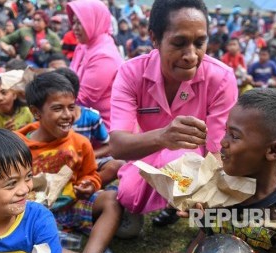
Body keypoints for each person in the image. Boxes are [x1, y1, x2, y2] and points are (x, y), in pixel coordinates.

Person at [130, 89, 276, 253]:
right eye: (225, 132)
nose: (222, 143)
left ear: (274, 150)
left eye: (234, 136)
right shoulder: (218, 183)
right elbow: (205, 237)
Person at [110, 0, 238, 229]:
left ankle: (181, 203)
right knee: (129, 195)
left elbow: (219, 151)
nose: (191, 55)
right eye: (179, 43)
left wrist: (206, 190)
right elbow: (118, 146)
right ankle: (164, 199)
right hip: (148, 155)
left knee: (183, 162)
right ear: (154, 39)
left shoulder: (221, 78)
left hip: (198, 161)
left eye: (200, 43)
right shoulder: (131, 73)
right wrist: (163, 137)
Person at [15, 72, 123, 253]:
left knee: (113, 199)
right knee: (15, 228)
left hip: (72, 205)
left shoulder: (80, 142)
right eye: (57, 108)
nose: (67, 115)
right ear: (36, 112)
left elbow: (91, 174)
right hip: (34, 215)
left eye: (71, 107)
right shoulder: (17, 145)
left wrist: (89, 184)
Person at [54, 67, 125, 187]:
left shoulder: (91, 117)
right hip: (57, 163)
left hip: (86, 161)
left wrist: (87, 155)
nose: (65, 113)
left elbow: (108, 145)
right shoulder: (49, 119)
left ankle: (86, 187)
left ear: (75, 95)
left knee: (117, 165)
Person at [67, 0, 123, 130]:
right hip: (80, 112)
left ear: (94, 21)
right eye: (74, 22)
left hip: (103, 125)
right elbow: (69, 80)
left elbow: (82, 98)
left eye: (80, 22)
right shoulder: (84, 46)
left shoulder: (104, 56)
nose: (74, 27)